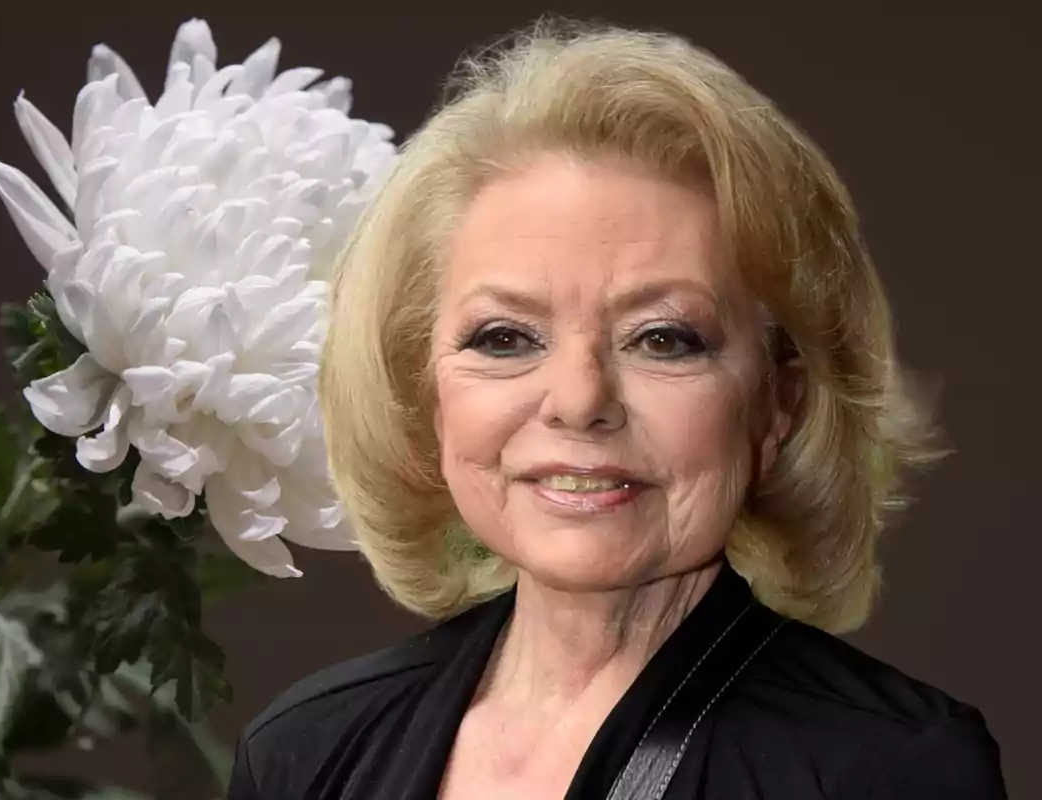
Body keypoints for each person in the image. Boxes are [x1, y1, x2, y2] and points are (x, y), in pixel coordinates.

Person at [227, 19, 1007, 800]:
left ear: (777, 402)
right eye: (504, 337)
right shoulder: (303, 755)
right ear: (425, 388)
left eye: (664, 339)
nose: (579, 401)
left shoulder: (891, 770)